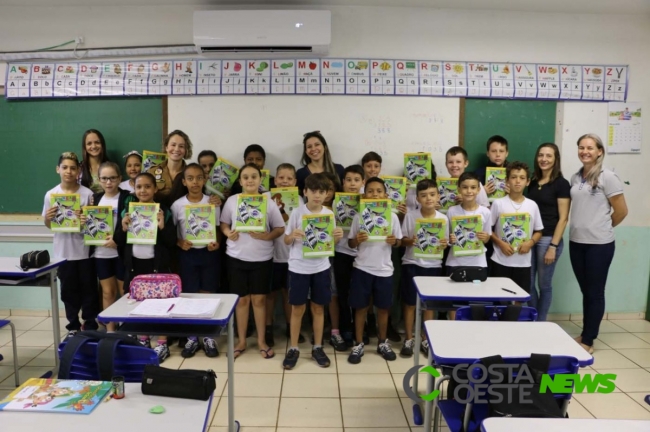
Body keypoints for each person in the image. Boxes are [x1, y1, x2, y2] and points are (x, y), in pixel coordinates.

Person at [569, 133, 628, 354]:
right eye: (581, 147)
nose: (585, 151)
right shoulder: (576, 177)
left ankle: (589, 340)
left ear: (599, 151)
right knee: (586, 291)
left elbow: (621, 211)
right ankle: (585, 332)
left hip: (599, 245)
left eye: (590, 148)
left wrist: (602, 227)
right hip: (576, 242)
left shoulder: (608, 177)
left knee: (595, 292)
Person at [220, 163, 285, 360]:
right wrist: (228, 233)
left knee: (259, 300)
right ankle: (241, 341)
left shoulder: (268, 202)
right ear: (240, 181)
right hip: (236, 257)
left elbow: (279, 228)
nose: (250, 180)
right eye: (246, 177)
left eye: (254, 177)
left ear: (260, 180)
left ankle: (261, 341)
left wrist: (267, 236)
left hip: (262, 258)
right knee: (241, 301)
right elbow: (224, 223)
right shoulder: (232, 201)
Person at [282, 173, 344, 369]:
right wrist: (292, 235)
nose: (317, 195)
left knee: (318, 308)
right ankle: (293, 348)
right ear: (305, 192)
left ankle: (318, 347)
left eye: (321, 192)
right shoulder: (297, 213)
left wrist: (338, 236)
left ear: (326, 194)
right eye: (313, 191)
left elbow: (331, 243)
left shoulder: (329, 214)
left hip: (321, 267)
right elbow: (286, 240)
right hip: (298, 267)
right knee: (298, 308)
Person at [113, 172, 176, 362]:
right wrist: (123, 227)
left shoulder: (164, 211)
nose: (143, 190)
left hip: (157, 265)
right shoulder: (127, 211)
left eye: (148, 186)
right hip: (134, 266)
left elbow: (172, 241)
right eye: (139, 187)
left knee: (160, 303)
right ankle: (143, 339)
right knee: (138, 302)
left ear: (155, 189)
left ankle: (162, 342)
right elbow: (118, 240)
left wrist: (162, 226)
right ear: (134, 189)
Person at [347, 177, 402, 364]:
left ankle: (382, 342)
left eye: (379, 191)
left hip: (384, 270)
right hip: (362, 268)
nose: (375, 194)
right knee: (360, 307)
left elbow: (399, 241)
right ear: (364, 196)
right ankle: (358, 343)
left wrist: (394, 241)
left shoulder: (392, 216)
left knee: (384, 308)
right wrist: (357, 240)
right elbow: (350, 243)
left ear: (386, 195)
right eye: (370, 191)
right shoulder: (359, 216)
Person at [43, 152, 99, 336]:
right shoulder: (51, 194)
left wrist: (85, 220)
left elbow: (96, 225)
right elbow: (48, 224)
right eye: (65, 167)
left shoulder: (87, 194)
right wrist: (48, 218)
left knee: (89, 291)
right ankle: (73, 325)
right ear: (57, 169)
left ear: (79, 171)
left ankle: (90, 325)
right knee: (68, 292)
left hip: (85, 252)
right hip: (63, 253)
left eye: (73, 168)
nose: (69, 171)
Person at [170, 163, 221, 358]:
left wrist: (217, 242)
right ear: (184, 181)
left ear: (205, 179)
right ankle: (192, 337)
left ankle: (208, 336)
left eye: (199, 177)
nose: (195, 182)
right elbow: (171, 232)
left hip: (209, 254)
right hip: (187, 255)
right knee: (190, 295)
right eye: (190, 178)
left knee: (208, 294)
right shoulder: (178, 205)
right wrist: (179, 242)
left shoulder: (212, 202)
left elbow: (218, 228)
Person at [399, 179, 448, 358]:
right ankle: (409, 338)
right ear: (417, 199)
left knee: (429, 305)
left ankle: (426, 338)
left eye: (432, 194)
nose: (428, 198)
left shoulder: (443, 218)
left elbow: (445, 243)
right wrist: (410, 241)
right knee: (410, 303)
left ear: (438, 196)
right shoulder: (411, 216)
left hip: (433, 265)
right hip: (412, 263)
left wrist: (444, 244)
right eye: (424, 195)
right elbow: (402, 240)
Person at [526, 143, 571, 321]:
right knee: (528, 284)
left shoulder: (561, 184)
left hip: (548, 240)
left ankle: (541, 322)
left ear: (555, 159)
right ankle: (534, 319)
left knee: (544, 285)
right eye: (541, 155)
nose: (544, 159)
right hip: (531, 239)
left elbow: (563, 218)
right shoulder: (533, 182)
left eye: (548, 156)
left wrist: (553, 245)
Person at [265, 163, 305, 346]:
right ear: (275, 180)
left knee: (289, 293)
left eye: (289, 178)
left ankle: (291, 326)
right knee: (270, 294)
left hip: (292, 256)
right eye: (281, 177)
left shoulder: (300, 200)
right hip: (270, 255)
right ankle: (268, 328)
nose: (285, 181)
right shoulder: (265, 198)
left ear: (295, 181)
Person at [490, 161, 543, 295]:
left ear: (528, 182)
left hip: (523, 262)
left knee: (519, 298)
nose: (518, 181)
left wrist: (530, 243)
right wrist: (501, 243)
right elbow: (488, 230)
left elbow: (539, 231)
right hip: (500, 260)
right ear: (507, 180)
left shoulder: (532, 205)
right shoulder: (498, 204)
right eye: (513, 177)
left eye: (522, 178)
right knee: (499, 298)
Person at [446, 172, 492, 319]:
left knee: (476, 300)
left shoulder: (485, 212)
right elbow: (446, 238)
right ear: (459, 189)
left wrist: (485, 237)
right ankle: (454, 328)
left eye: (473, 187)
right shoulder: (452, 211)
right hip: (455, 262)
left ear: (479, 190)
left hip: (478, 262)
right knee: (454, 301)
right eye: (465, 187)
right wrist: (451, 239)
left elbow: (488, 237)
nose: (469, 191)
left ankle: (473, 329)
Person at [91, 162, 131, 332]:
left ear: (120, 179)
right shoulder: (95, 199)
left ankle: (127, 328)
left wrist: (118, 241)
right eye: (104, 178)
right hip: (101, 253)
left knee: (125, 292)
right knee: (108, 292)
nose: (109, 182)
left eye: (113, 178)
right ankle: (110, 330)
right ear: (99, 179)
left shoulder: (128, 198)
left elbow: (133, 224)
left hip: (120, 252)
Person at [333, 165, 365, 347]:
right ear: (343, 182)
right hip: (342, 252)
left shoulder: (369, 203)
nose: (352, 184)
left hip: (363, 255)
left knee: (361, 294)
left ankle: (361, 329)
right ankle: (345, 328)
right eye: (349, 180)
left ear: (362, 182)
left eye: (356, 180)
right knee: (343, 292)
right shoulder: (335, 202)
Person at [147, 130, 193, 207]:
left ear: (186, 150)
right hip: (158, 212)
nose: (177, 149)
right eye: (173, 145)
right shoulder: (152, 172)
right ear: (166, 147)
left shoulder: (192, 174)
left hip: (183, 213)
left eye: (181, 146)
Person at [79, 129, 110, 193]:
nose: (93, 146)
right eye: (89, 143)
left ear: (102, 144)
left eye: (97, 142)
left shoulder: (111, 167)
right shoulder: (79, 168)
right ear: (85, 147)